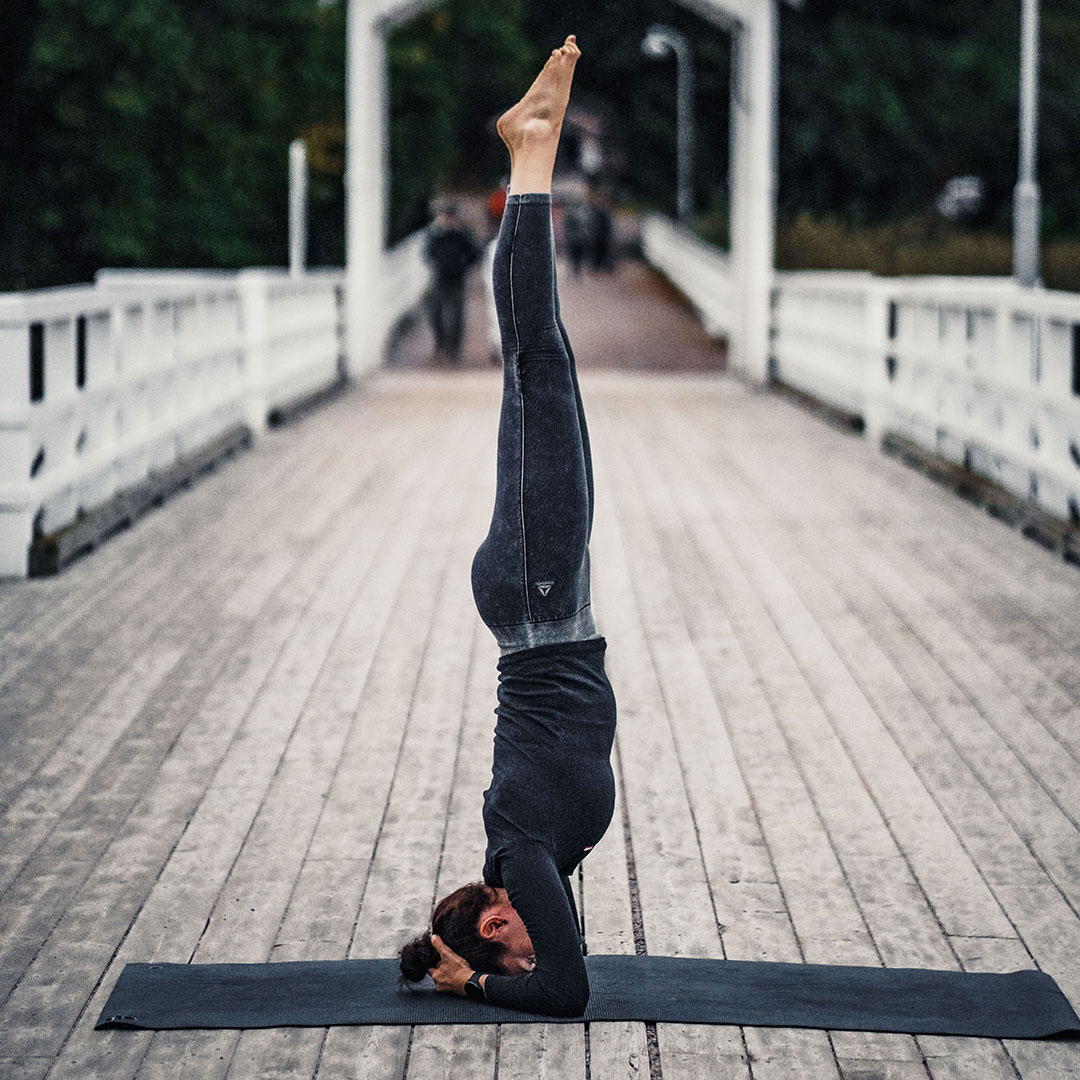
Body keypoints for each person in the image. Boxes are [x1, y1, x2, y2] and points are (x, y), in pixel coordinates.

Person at [399, 35, 616, 1018]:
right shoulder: (532, 851)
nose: (540, 944)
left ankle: (530, 150)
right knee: (545, 369)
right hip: (541, 596)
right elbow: (556, 976)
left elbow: (565, 995)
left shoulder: (523, 857)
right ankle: (528, 151)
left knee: (541, 364)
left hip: (535, 595)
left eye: (515, 949)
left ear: (495, 920)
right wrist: (475, 972)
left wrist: (472, 981)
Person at [423, 204, 480, 364]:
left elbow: (474, 254)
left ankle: (453, 349)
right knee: (435, 311)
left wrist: (463, 266)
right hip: (440, 277)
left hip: (457, 277)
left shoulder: (462, 235)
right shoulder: (436, 235)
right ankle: (440, 343)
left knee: (456, 314)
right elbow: (428, 253)